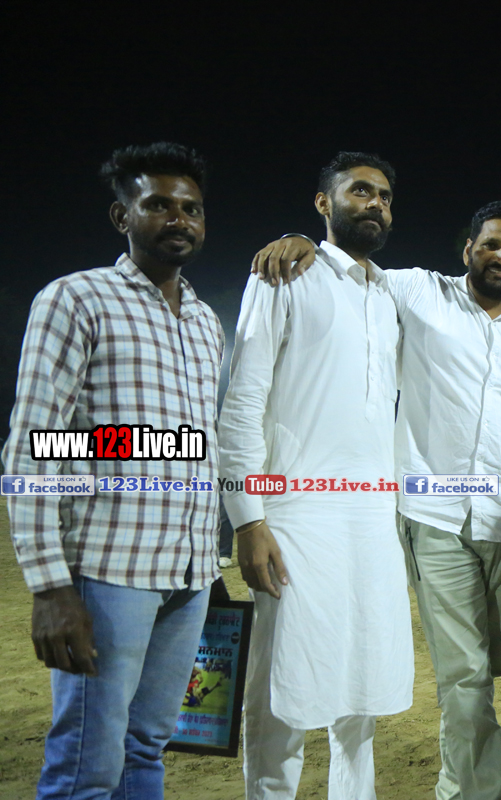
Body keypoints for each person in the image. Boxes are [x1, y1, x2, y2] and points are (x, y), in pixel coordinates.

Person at [252, 200, 501, 800]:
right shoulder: (417, 291)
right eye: (491, 245)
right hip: (434, 518)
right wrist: (302, 241)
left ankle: (456, 777)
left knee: (487, 667)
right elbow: (350, 268)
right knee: (465, 674)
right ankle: (475, 793)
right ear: (468, 251)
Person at [4, 143, 223, 799]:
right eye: (158, 204)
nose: (178, 218)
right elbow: (33, 445)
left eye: (190, 208)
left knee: (146, 749)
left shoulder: (206, 323)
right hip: (107, 573)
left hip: (187, 579)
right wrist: (50, 587)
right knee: (85, 768)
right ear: (121, 215)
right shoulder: (76, 299)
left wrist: (209, 561)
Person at [219, 152, 414, 799]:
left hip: (372, 518)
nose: (375, 203)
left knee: (361, 683)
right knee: (283, 685)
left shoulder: (389, 295)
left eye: (384, 196)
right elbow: (242, 404)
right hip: (295, 517)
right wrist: (248, 520)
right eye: (360, 191)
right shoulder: (284, 276)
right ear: (324, 203)